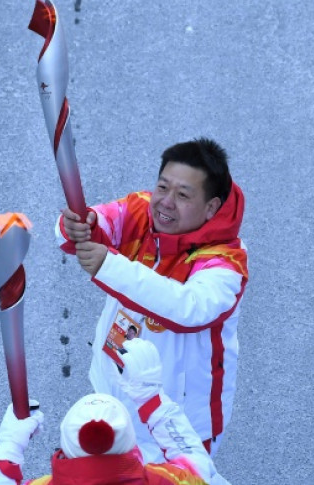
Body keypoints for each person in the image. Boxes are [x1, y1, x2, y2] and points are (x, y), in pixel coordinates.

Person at [56, 137, 248, 462]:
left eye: (183, 195)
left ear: (211, 207)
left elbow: (188, 309)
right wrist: (75, 225)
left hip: (176, 428)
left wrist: (109, 266)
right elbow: (98, 220)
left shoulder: (226, 262)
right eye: (163, 187)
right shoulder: (141, 211)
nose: (166, 202)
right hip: (114, 405)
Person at [0, 339, 230, 485]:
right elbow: (200, 470)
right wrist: (151, 398)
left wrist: (9, 444)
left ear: (65, 449)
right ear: (130, 443)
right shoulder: (162, 480)